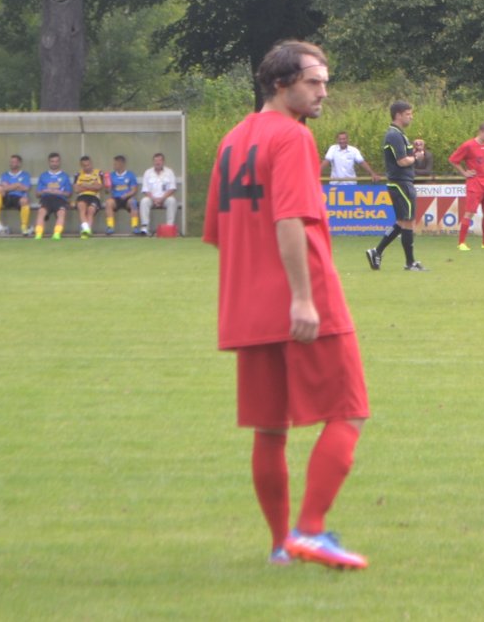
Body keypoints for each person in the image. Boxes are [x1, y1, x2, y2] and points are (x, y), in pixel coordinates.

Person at [204, 39, 370, 571]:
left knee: (269, 428)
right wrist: (301, 297)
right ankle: (311, 531)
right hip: (306, 298)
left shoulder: (233, 140)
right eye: (313, 82)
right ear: (281, 84)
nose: (324, 92)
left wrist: (255, 283)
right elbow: (289, 218)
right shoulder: (293, 136)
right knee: (348, 411)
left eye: (325, 82)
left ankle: (281, 545)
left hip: (247, 305)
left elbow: (218, 232)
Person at [368, 103, 423, 271]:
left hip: (400, 183)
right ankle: (410, 262)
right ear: (398, 115)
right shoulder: (394, 135)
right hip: (401, 183)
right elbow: (402, 161)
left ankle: (376, 251)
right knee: (408, 221)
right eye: (408, 114)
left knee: (401, 222)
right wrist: (416, 157)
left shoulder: (399, 134)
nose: (411, 117)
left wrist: (415, 151)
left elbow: (405, 157)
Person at [449, 122, 484, 251]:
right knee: (469, 212)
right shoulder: (468, 145)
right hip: (475, 183)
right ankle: (461, 243)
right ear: (480, 132)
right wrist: (464, 173)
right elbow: (453, 160)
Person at [33, 153, 73, 240]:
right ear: (49, 162)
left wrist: (60, 192)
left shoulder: (64, 176)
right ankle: (38, 234)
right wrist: (44, 191)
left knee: (61, 213)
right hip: (46, 198)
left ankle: (57, 234)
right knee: (41, 212)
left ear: (59, 162)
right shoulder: (43, 176)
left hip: (60, 199)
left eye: (56, 161)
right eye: (52, 161)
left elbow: (69, 194)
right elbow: (37, 194)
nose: (54, 163)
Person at [0, 154, 34, 235]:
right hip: (7, 197)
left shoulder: (25, 175)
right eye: (11, 162)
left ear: (19, 163)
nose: (12, 163)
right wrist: (17, 185)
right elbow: (3, 188)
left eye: (14, 162)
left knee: (25, 200)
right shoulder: (5, 175)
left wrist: (9, 187)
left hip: (19, 197)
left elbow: (26, 188)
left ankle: (24, 227)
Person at [140, 153, 179, 234]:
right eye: (155, 161)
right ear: (153, 162)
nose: (157, 163)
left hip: (165, 198)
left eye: (159, 160)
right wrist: (154, 199)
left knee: (172, 200)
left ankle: (169, 227)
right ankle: (145, 228)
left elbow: (172, 188)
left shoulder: (169, 172)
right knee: (144, 201)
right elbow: (145, 190)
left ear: (163, 162)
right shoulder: (148, 172)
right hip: (152, 198)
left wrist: (162, 199)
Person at [105, 155, 142, 234]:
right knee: (108, 203)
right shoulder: (111, 175)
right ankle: (110, 227)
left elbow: (134, 190)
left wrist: (126, 195)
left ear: (121, 164)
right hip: (116, 198)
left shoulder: (130, 175)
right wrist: (107, 187)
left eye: (116, 164)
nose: (114, 165)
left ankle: (135, 226)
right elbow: (108, 191)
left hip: (127, 198)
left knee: (133, 203)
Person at [73, 155, 106, 237]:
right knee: (82, 208)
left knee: (90, 211)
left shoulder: (98, 172)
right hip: (82, 196)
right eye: (84, 166)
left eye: (88, 165)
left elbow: (99, 187)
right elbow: (76, 189)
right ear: (81, 165)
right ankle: (86, 229)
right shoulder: (78, 174)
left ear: (91, 163)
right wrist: (92, 186)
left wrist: (84, 185)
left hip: (94, 196)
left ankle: (86, 231)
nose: (87, 167)